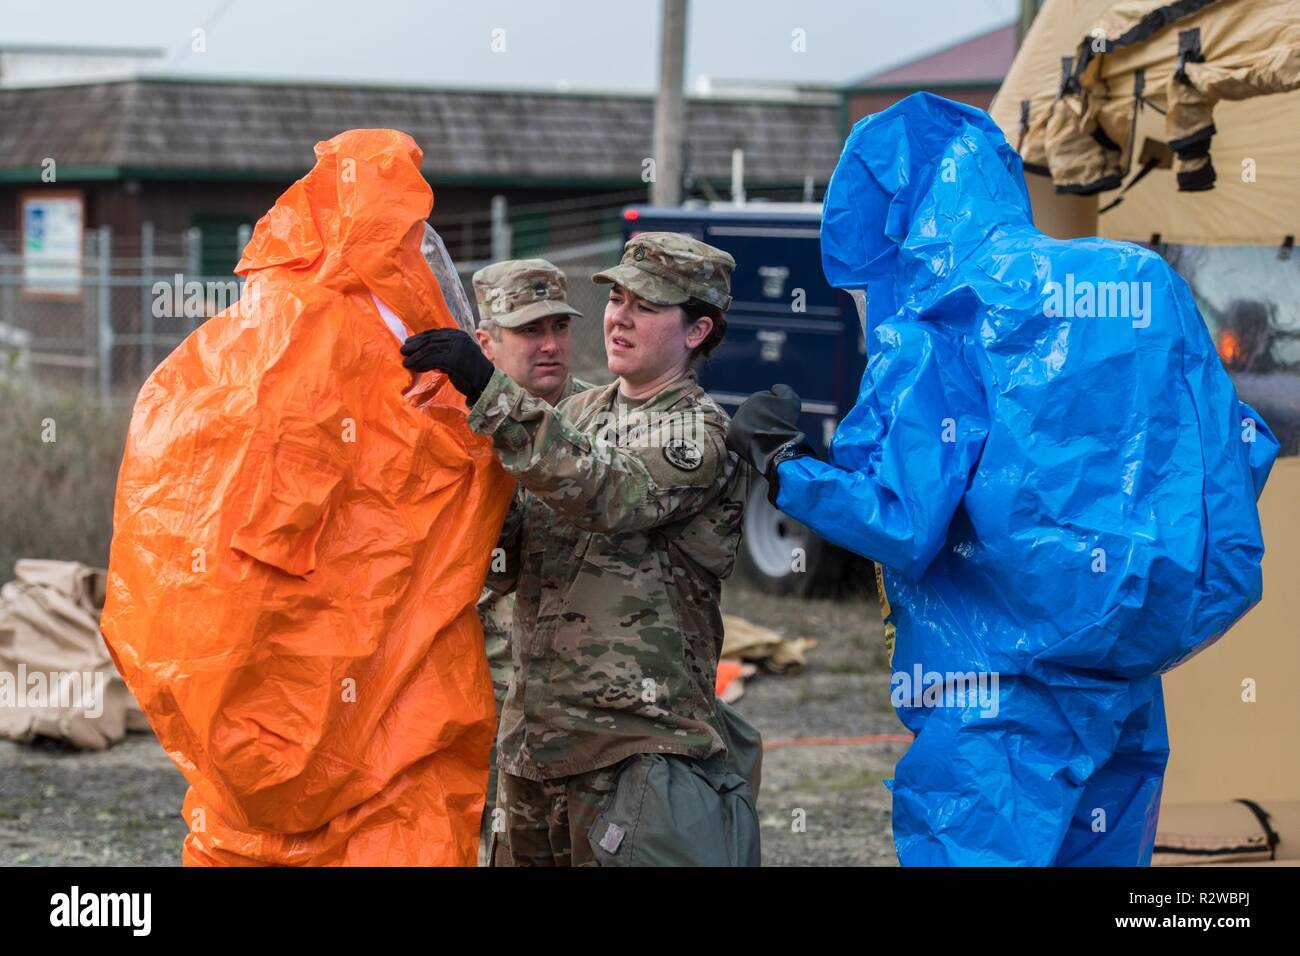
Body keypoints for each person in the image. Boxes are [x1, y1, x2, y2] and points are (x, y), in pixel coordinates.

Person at [726, 93, 1278, 866]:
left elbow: (902, 520)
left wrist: (786, 470)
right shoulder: (1141, 283)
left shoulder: (941, 328)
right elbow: (1238, 450)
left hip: (996, 691)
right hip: (1127, 676)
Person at [401, 233, 759, 866]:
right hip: (535, 746)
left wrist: (488, 389)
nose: (619, 317)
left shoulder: (696, 432)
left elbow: (607, 490)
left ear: (698, 330)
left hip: (633, 752)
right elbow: (507, 548)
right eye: (617, 297)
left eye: (646, 306)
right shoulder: (581, 411)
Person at [466, 258, 594, 858]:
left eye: (558, 328)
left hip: (574, 697)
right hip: (473, 687)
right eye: (528, 332)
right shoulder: (448, 430)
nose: (550, 346)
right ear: (485, 342)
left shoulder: (603, 424)